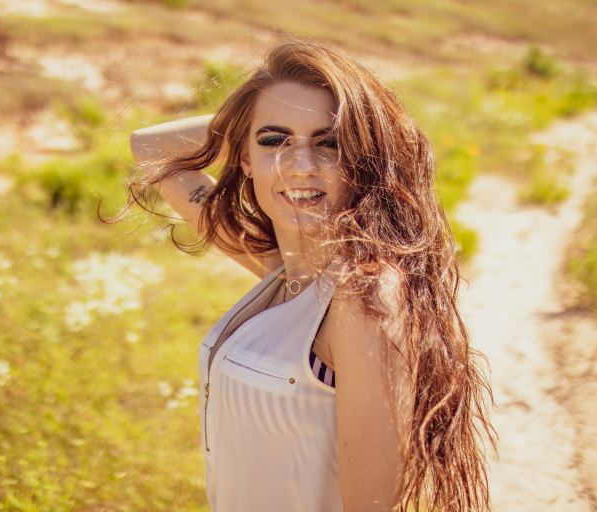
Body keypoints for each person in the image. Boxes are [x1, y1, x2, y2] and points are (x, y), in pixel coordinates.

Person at [116, 38, 497, 511]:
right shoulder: (281, 270)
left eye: (329, 142)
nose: (300, 166)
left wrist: (287, 121)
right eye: (274, 140)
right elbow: (149, 146)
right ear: (244, 160)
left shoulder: (364, 296)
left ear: (363, 160)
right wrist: (249, 112)